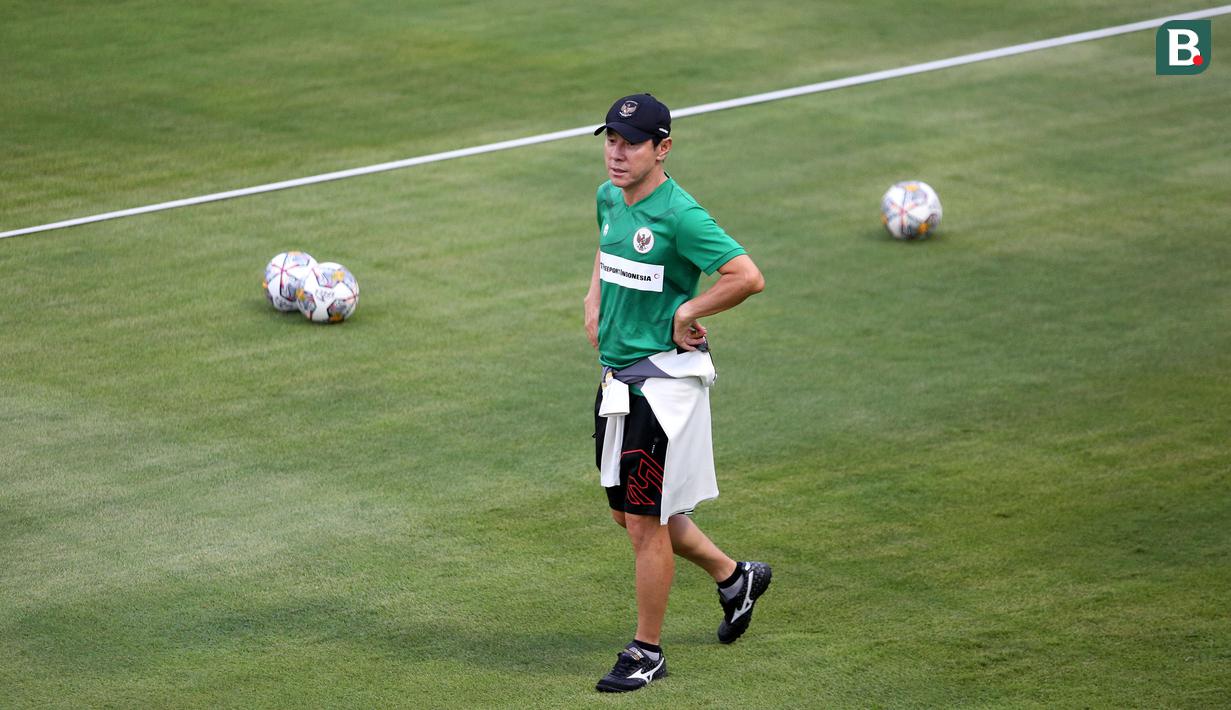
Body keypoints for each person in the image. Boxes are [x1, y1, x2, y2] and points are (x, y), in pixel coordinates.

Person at [584, 93, 771, 693]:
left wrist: (689, 307)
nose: (616, 152)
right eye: (611, 139)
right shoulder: (610, 196)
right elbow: (606, 244)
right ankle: (733, 575)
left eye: (631, 142)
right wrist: (592, 298)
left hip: (661, 388)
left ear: (662, 149)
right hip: (617, 380)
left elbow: (747, 275)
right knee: (628, 514)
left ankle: (647, 651)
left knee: (645, 523)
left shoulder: (681, 215)